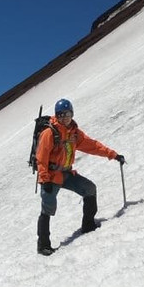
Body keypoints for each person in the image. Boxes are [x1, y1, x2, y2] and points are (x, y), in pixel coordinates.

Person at [35, 98, 124, 256]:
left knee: (89, 189)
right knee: (48, 208)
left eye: (67, 114)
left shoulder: (74, 133)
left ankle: (88, 224)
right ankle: (43, 245)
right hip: (51, 176)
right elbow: (41, 158)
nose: (65, 118)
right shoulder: (49, 133)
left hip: (67, 173)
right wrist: (45, 179)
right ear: (56, 115)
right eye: (61, 115)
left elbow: (92, 146)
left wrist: (113, 154)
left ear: (72, 114)